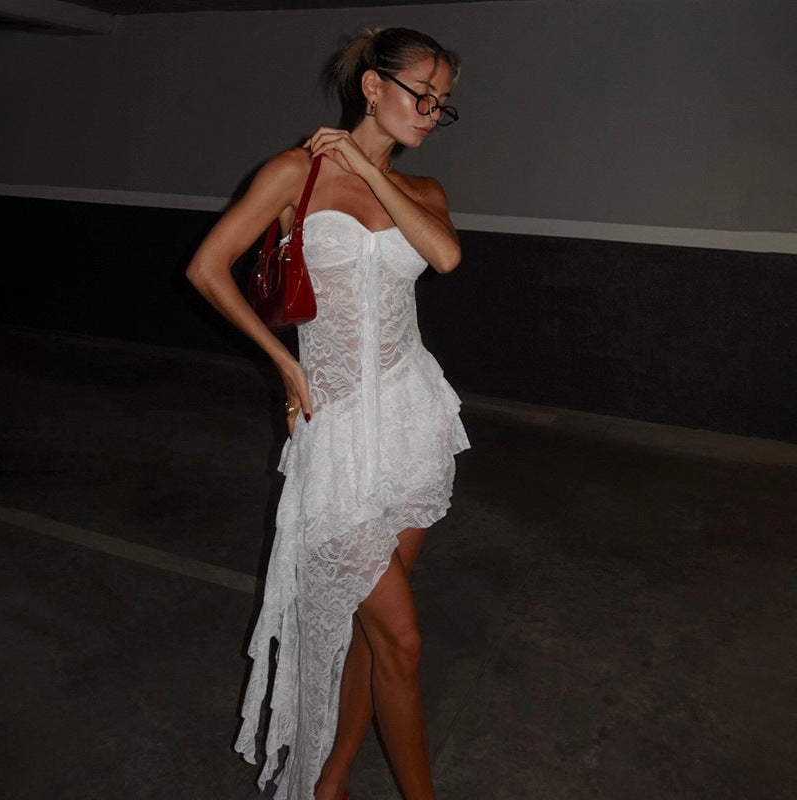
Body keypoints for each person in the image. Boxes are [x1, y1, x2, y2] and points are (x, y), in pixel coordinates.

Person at [186, 26, 470, 800]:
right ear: (373, 88)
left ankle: (331, 782)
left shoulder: (424, 193)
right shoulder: (293, 174)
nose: (432, 113)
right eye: (422, 94)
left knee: (374, 636)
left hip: (412, 424)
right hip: (338, 436)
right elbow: (207, 268)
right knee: (402, 638)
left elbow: (445, 257)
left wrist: (370, 169)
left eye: (442, 104)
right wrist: (283, 363)